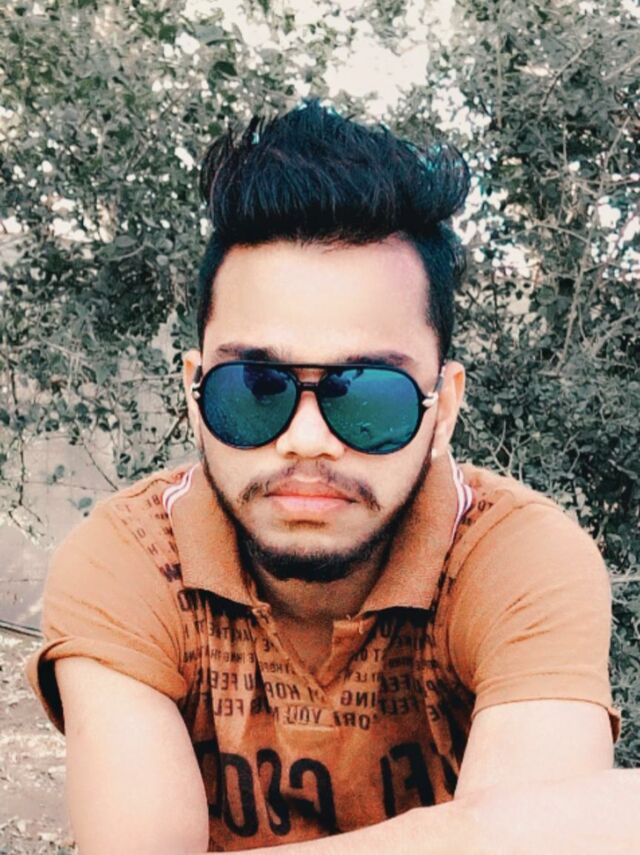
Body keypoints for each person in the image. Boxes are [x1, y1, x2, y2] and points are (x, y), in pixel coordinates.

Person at [27, 100, 636, 855]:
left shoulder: (518, 559)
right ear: (194, 392)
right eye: (256, 387)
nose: (307, 441)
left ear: (443, 407)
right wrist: (476, 832)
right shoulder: (131, 560)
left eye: (367, 394)